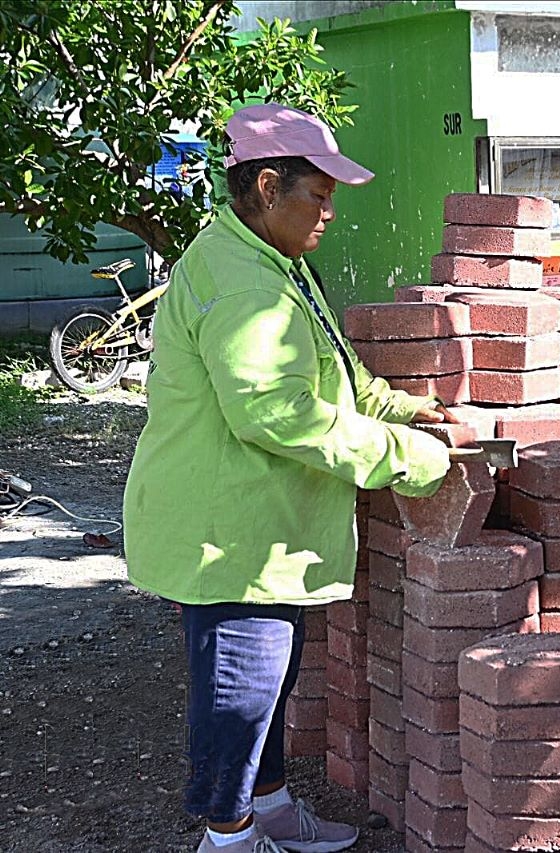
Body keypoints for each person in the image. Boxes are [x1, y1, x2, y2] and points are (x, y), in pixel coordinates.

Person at [123, 104, 455, 853]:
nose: (331, 212)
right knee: (239, 693)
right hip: (228, 535)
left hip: (258, 527)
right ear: (268, 185)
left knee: (270, 679)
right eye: (320, 194)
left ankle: (266, 808)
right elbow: (277, 411)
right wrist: (407, 458)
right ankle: (228, 835)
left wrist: (404, 409)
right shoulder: (245, 282)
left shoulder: (274, 261)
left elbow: (333, 370)